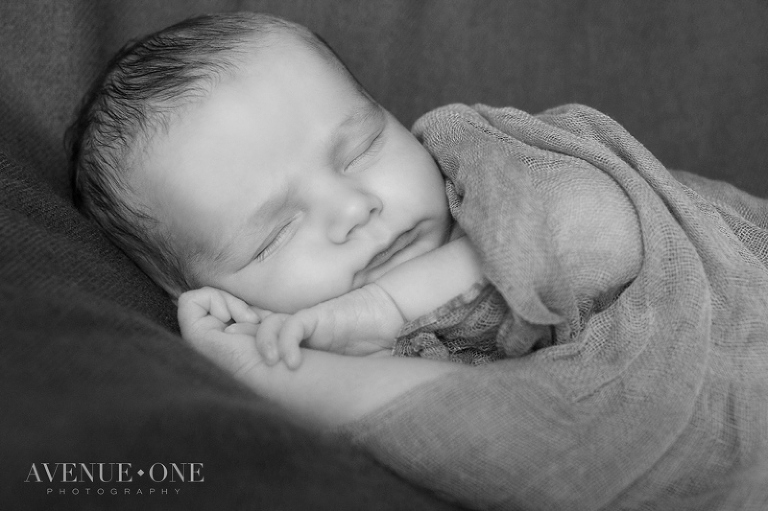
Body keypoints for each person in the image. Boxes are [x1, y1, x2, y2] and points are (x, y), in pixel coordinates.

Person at [69, 11, 768, 510]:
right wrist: (271, 370)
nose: (352, 207)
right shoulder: (371, 366)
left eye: (361, 148)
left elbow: (599, 239)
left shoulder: (481, 160)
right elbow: (491, 440)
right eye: (274, 234)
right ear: (207, 291)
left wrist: (390, 301)